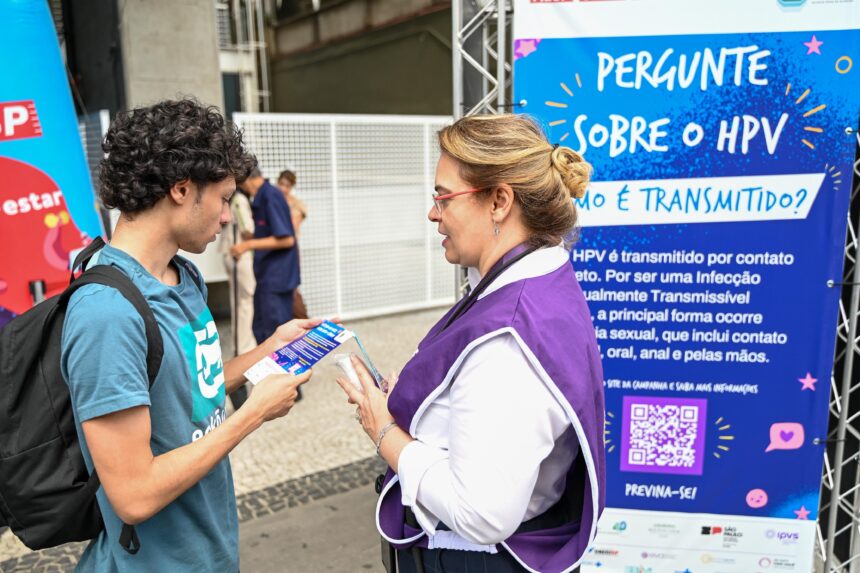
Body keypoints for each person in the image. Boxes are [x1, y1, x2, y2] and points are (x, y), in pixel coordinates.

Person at [337, 114, 606, 573]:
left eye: (444, 196)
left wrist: (384, 432)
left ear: (500, 200)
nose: (433, 212)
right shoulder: (537, 277)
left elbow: (481, 515)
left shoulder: (507, 340)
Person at [61, 99, 319, 572]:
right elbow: (133, 496)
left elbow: (196, 395)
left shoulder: (183, 276)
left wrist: (270, 350)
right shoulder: (106, 314)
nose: (227, 217)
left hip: (209, 550)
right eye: (223, 199)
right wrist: (253, 415)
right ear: (181, 189)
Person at [231, 168, 300, 344]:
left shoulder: (270, 196)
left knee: (275, 334)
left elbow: (287, 240)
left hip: (277, 278)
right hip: (266, 277)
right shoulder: (261, 197)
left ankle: (281, 371)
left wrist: (247, 245)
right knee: (260, 328)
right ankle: (267, 371)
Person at [219, 187, 256, 409]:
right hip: (240, 256)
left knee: (239, 304)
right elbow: (247, 228)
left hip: (229, 254)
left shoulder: (230, 200)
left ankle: (241, 347)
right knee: (246, 303)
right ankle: (244, 350)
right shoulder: (240, 200)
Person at [277, 169, 309, 319]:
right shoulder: (273, 200)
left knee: (292, 287)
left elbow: (291, 228)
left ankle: (302, 320)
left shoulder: (296, 204)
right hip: (274, 249)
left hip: (290, 250)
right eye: (281, 184)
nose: (283, 188)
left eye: (287, 185)